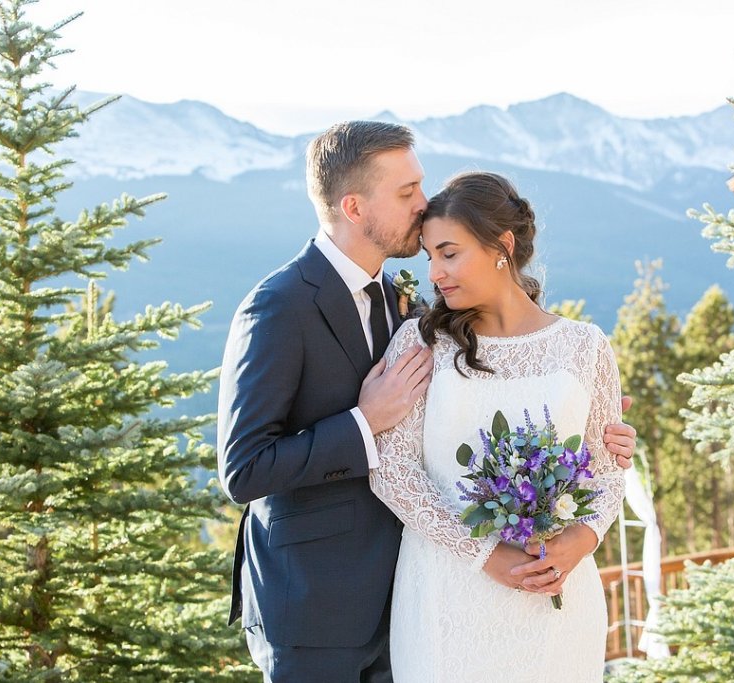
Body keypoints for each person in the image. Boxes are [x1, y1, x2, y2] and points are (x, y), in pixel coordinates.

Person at [217, 122, 637, 683]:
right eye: (407, 191)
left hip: (406, 594)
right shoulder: (278, 306)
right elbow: (243, 469)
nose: (422, 203)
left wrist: (597, 438)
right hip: (315, 604)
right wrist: (365, 423)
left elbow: (502, 377)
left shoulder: (404, 303)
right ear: (354, 206)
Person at [369, 171, 624, 682]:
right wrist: (486, 554)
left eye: (449, 252)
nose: (436, 273)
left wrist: (585, 536)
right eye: (429, 258)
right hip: (448, 593)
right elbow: (392, 472)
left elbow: (608, 465)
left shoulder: (585, 346)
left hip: (556, 592)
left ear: (501, 246)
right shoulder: (421, 345)